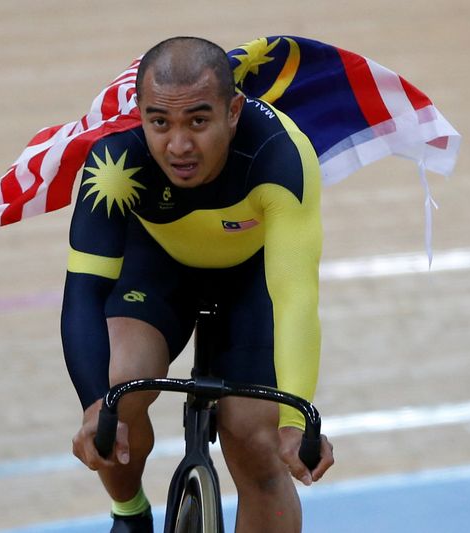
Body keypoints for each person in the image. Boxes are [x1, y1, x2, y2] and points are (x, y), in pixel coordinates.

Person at [61, 36, 334, 533]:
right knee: (118, 393)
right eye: (159, 123)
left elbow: (295, 299)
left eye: (199, 122)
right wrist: (94, 405)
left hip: (251, 279)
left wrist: (296, 424)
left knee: (256, 440)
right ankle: (130, 513)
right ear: (140, 113)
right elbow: (83, 292)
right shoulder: (116, 163)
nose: (179, 145)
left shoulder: (280, 156)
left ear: (233, 112)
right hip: (157, 266)